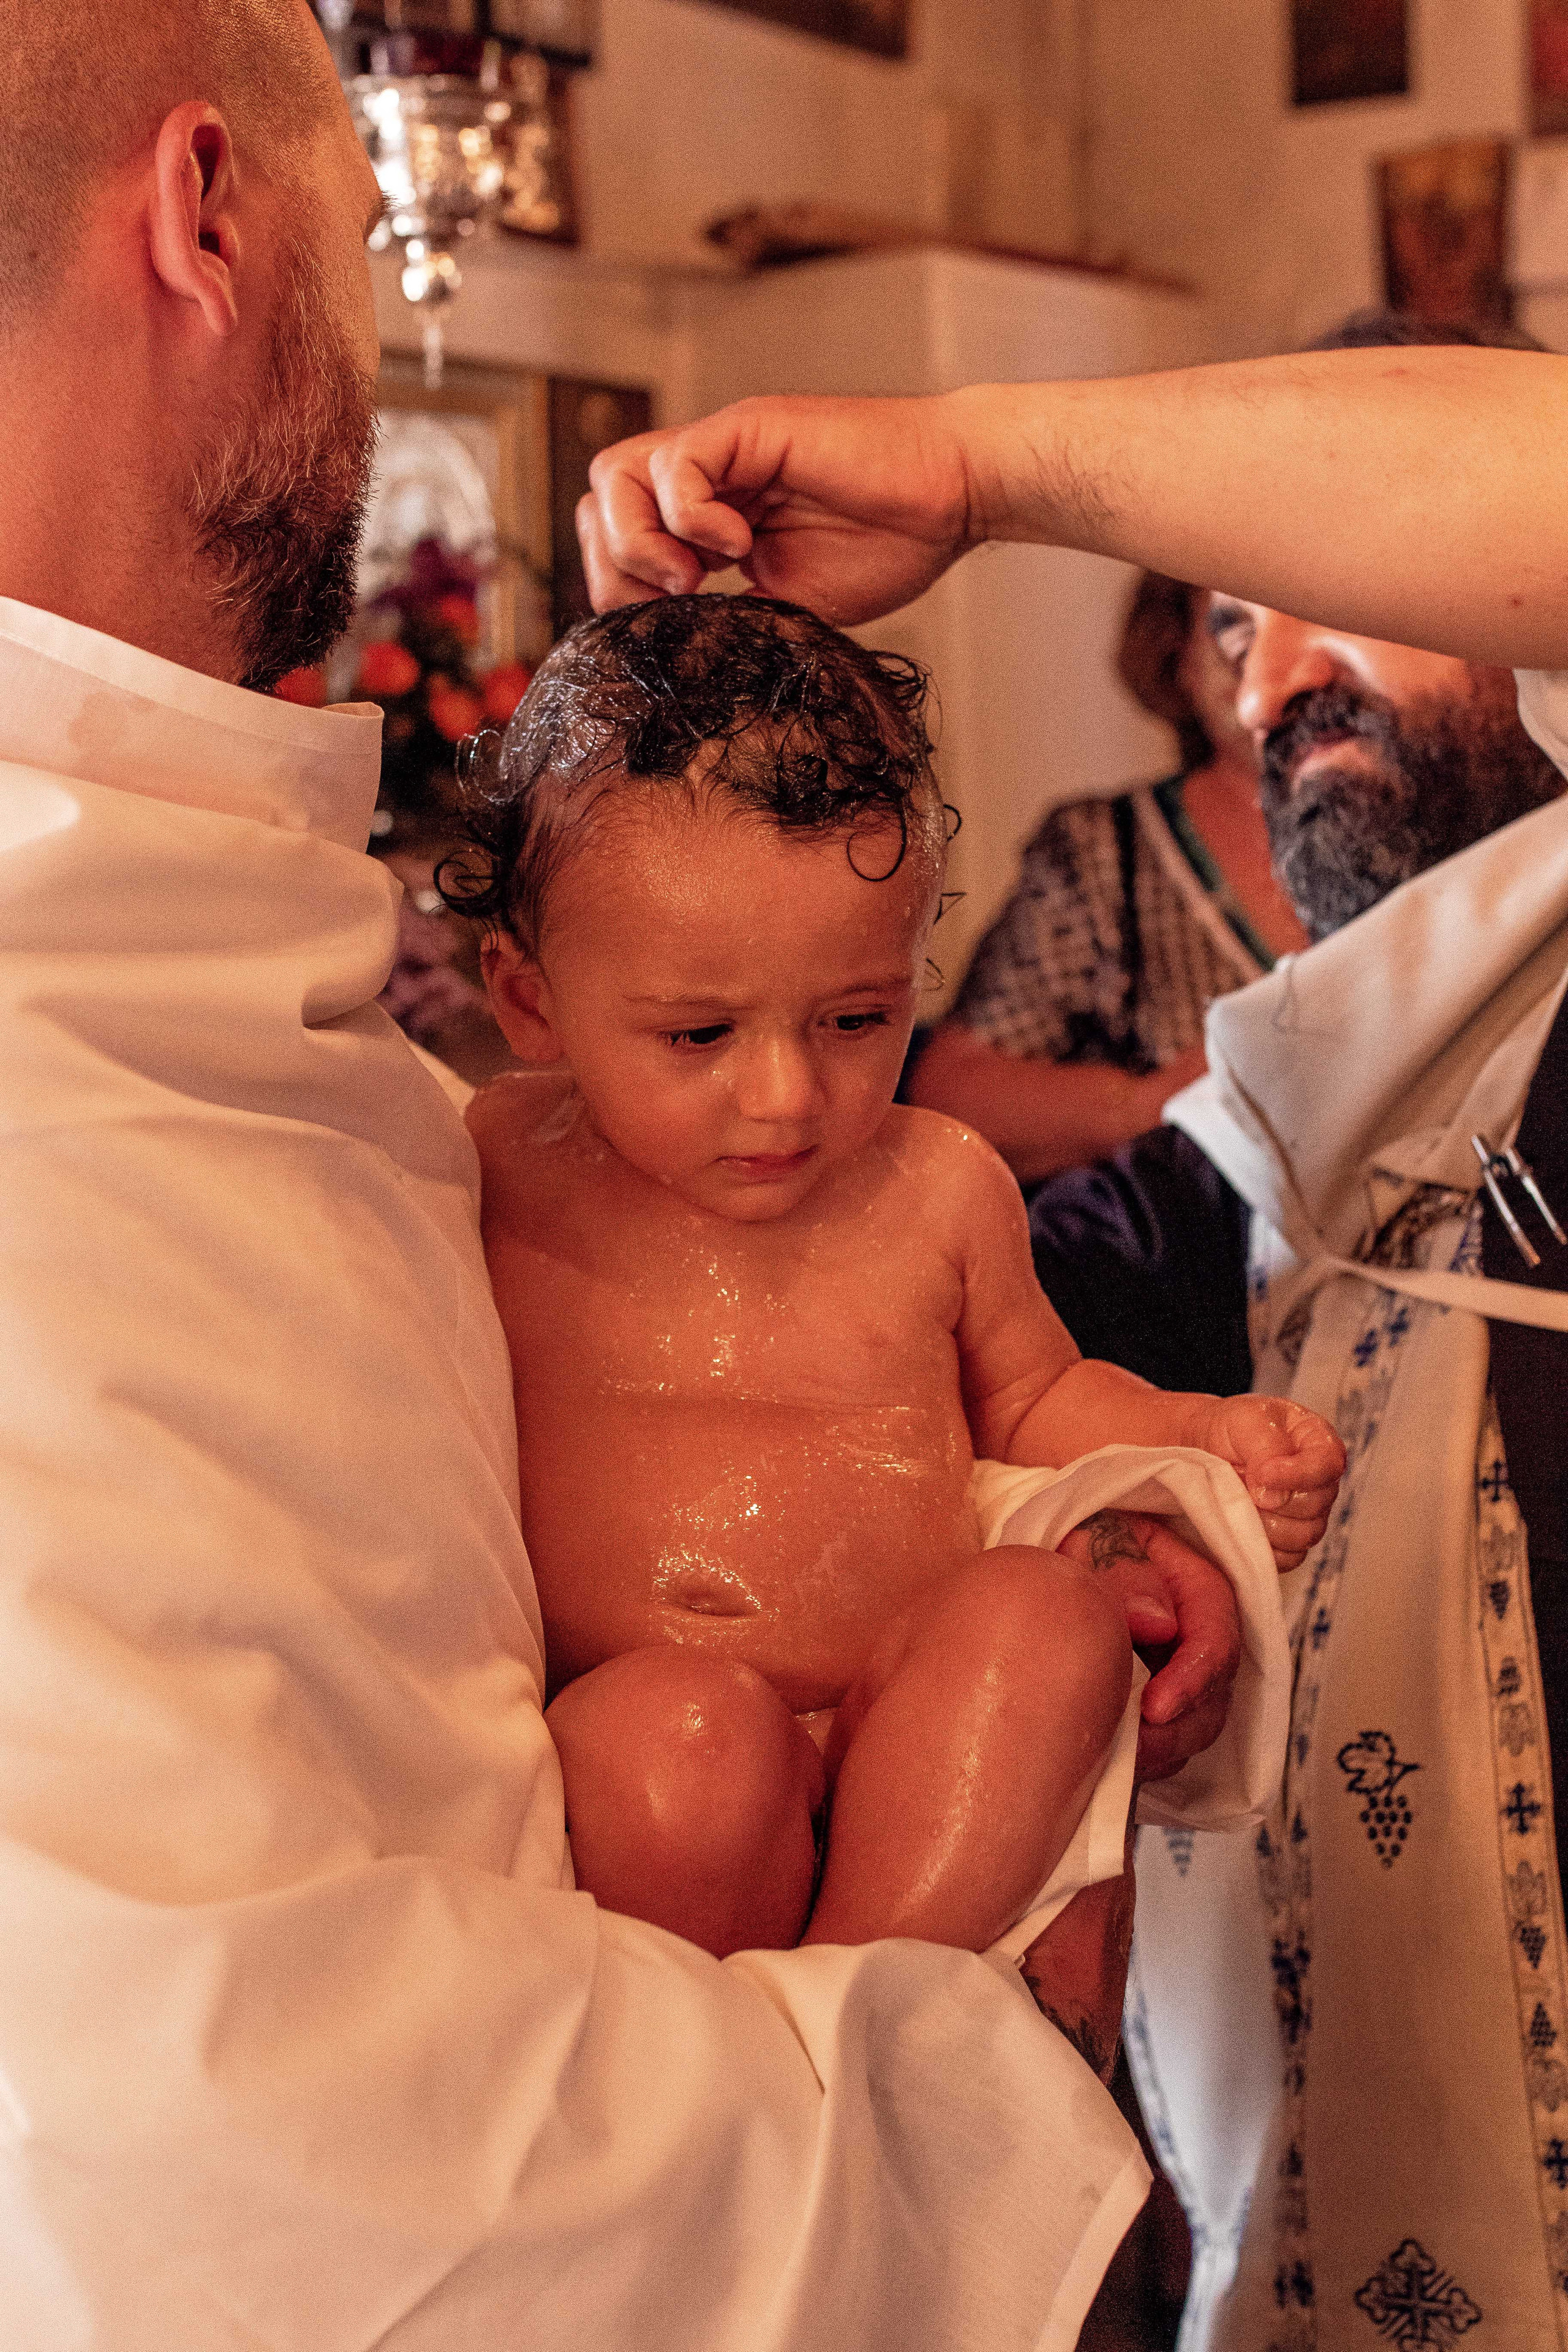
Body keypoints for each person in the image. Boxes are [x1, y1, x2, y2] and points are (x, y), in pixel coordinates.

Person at [0, 5, 1259, 2346]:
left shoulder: (182, 932)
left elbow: (761, 1415)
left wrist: (1085, 1533)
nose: (780, 1102)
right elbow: (200, 2156)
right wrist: (962, 2111)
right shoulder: (186, 1073)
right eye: (372, 230)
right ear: (204, 213)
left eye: (853, 1017)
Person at [579, 312, 1568, 2344]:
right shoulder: (1270, 1132)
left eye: (1346, 603)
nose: (1271, 686)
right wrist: (1121, 1533)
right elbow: (963, 1406)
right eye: (1231, 628)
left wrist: (968, 463)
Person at [445, 592, 1338, 1962]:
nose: (787, 1096)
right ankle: (738, 2052)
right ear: (529, 1005)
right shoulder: (482, 1167)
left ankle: (864, 2014)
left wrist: (1194, 1432)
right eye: (697, 1035)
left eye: (858, 1018)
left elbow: (1035, 1402)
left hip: (906, 1735)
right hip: (638, 1747)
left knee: (1047, 1621)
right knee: (670, 1743)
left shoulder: (937, 1183)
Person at [908, 573, 1305, 1186]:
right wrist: (1159, 1105)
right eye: (1234, 629)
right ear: (1179, 657)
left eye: (1311, 624)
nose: (1277, 669)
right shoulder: (1105, 847)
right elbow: (954, 1096)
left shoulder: (1449, 824)